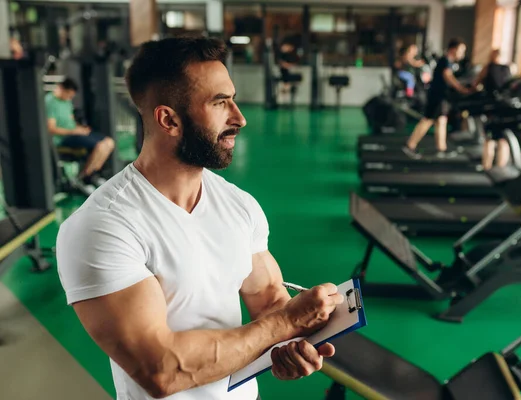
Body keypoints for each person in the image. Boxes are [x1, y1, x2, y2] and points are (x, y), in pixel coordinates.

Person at [56, 36, 344, 400]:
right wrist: (286, 324)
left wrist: (286, 347)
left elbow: (268, 299)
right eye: (220, 103)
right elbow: (159, 369)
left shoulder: (238, 205)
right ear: (169, 120)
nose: (239, 118)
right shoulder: (102, 226)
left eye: (233, 100)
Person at [402, 38, 473, 159]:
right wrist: (461, 89)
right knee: (428, 120)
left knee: (441, 120)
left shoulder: (448, 61)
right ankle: (410, 145)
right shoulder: (445, 61)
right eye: (461, 50)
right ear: (453, 49)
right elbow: (448, 76)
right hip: (438, 96)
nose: (462, 54)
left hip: (441, 96)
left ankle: (441, 148)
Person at [45, 78, 115, 190]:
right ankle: (83, 177)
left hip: (74, 133)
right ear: (61, 89)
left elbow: (70, 122)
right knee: (100, 145)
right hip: (62, 138)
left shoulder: (67, 102)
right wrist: (74, 131)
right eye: (68, 94)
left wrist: (80, 129)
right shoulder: (50, 101)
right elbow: (52, 129)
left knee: (109, 142)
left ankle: (92, 174)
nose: (70, 98)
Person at [472, 49, 513, 170]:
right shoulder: (507, 69)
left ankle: (486, 166)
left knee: (489, 137)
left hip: (491, 107)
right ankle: (500, 167)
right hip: (505, 107)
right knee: (502, 138)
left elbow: (476, 84)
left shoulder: (487, 68)